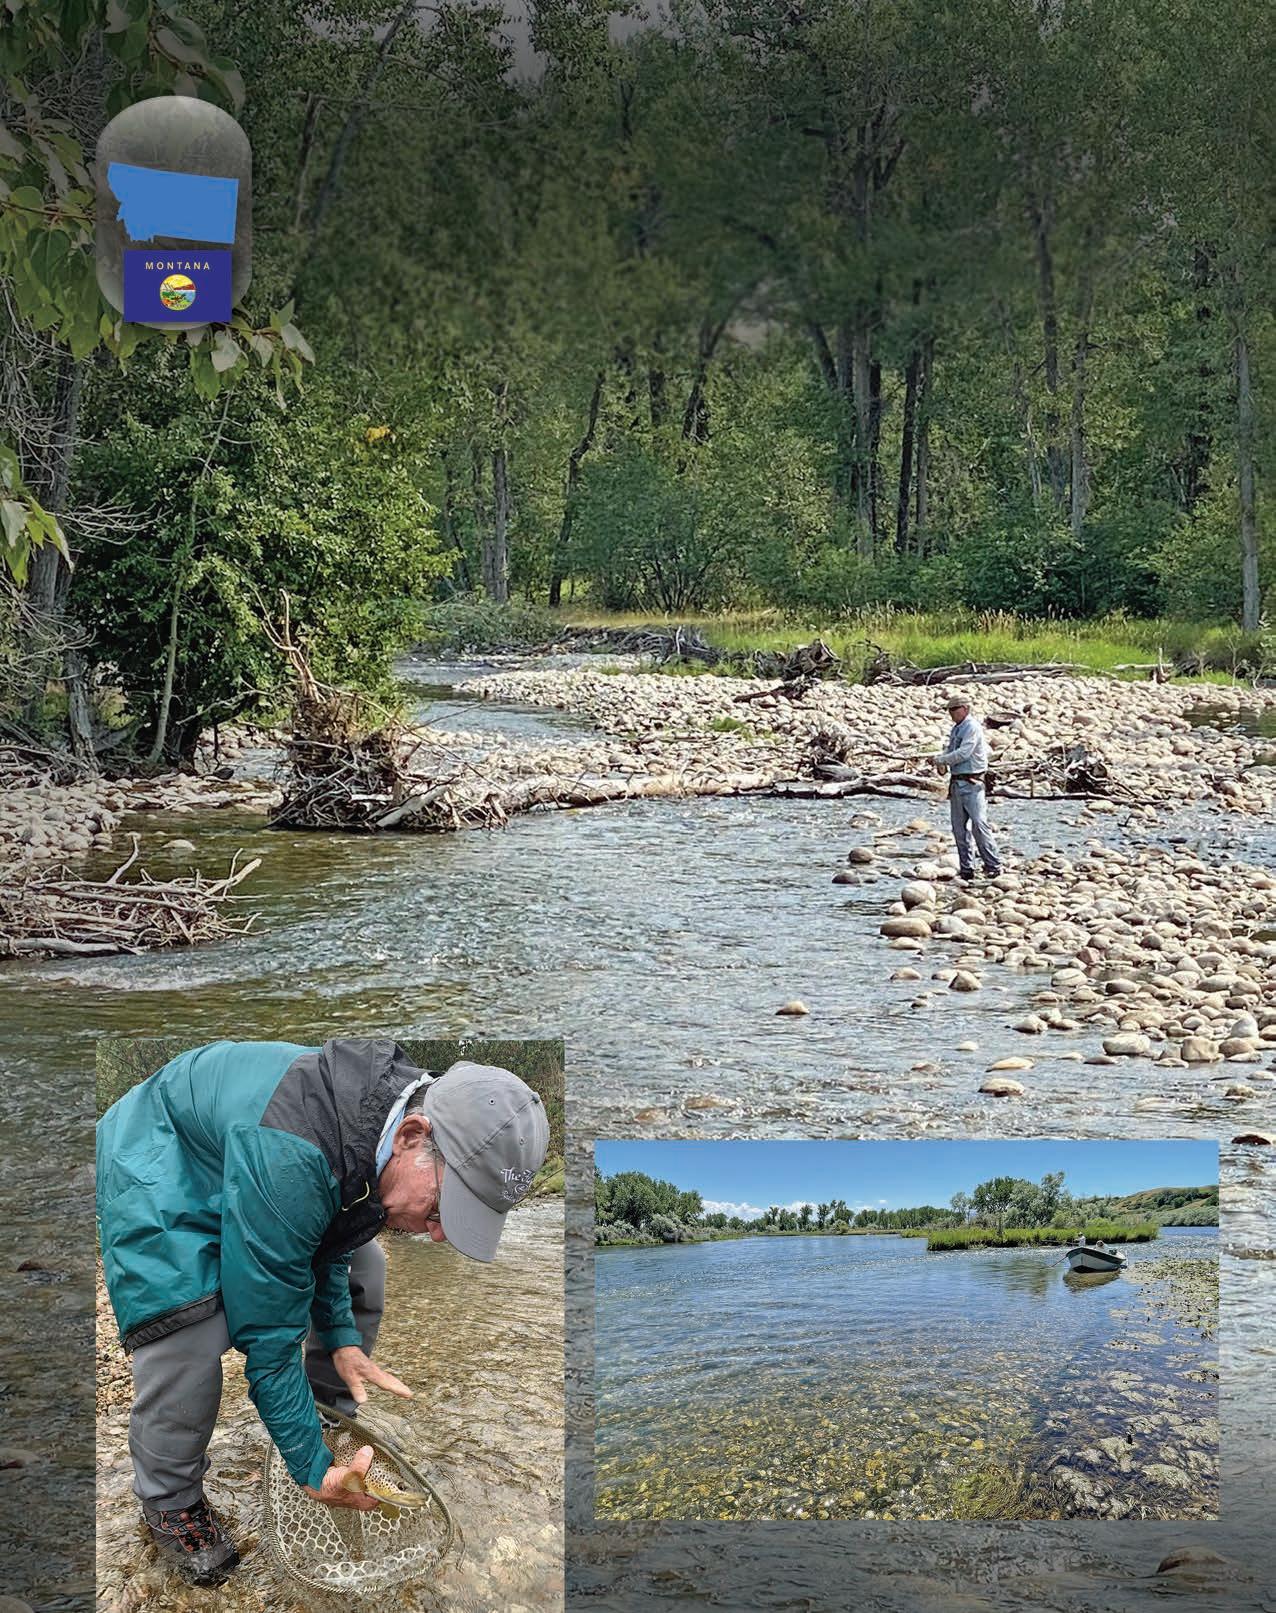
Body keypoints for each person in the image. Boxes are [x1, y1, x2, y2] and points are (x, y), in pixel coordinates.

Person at [97, 1038, 550, 1585]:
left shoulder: (392, 1123)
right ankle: (170, 1500)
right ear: (413, 1137)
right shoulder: (298, 1150)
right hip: (158, 1152)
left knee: (368, 1266)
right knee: (188, 1326)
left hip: (251, 1152)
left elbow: (333, 1238)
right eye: (441, 1210)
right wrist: (311, 1473)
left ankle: (318, 1416)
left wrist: (341, 1339)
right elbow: (267, 1336)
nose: (437, 1234)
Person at [929, 693, 1002, 881]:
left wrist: (941, 759)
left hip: (973, 783)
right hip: (956, 783)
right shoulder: (956, 729)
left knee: (979, 824)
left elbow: (964, 752)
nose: (951, 713)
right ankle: (966, 868)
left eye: (954, 709)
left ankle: (993, 865)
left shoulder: (972, 727)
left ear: (965, 709)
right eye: (949, 710)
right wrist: (941, 761)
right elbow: (951, 750)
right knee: (958, 829)